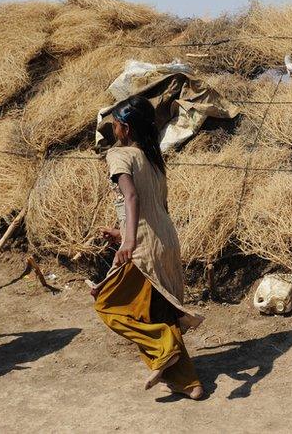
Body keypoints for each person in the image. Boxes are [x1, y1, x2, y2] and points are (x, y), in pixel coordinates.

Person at [91, 96, 205, 400]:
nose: (113, 129)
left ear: (125, 128)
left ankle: (160, 347)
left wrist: (128, 242)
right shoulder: (154, 161)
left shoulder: (119, 155)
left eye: (115, 124)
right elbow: (157, 208)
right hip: (166, 239)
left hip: (143, 244)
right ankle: (189, 382)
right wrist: (121, 232)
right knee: (159, 308)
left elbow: (132, 199)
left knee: (107, 303)